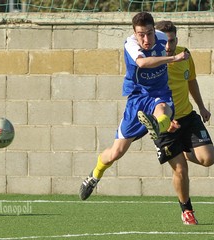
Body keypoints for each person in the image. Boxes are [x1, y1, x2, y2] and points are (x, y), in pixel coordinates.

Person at [79, 12, 189, 205]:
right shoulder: (130, 44)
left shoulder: (162, 38)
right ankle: (94, 175)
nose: (146, 39)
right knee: (116, 152)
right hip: (137, 99)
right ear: (134, 33)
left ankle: (158, 126)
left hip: (160, 93)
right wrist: (173, 59)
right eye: (141, 34)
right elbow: (142, 63)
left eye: (149, 33)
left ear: (154, 30)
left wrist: (176, 52)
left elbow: (172, 44)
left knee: (163, 109)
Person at [154, 20, 214, 225]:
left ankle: (185, 151)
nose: (167, 46)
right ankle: (186, 210)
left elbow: (191, 80)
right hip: (165, 124)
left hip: (188, 117)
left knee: (208, 159)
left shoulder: (184, 54)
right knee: (180, 170)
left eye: (171, 41)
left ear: (176, 40)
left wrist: (202, 106)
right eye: (163, 42)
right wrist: (161, 120)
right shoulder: (150, 63)